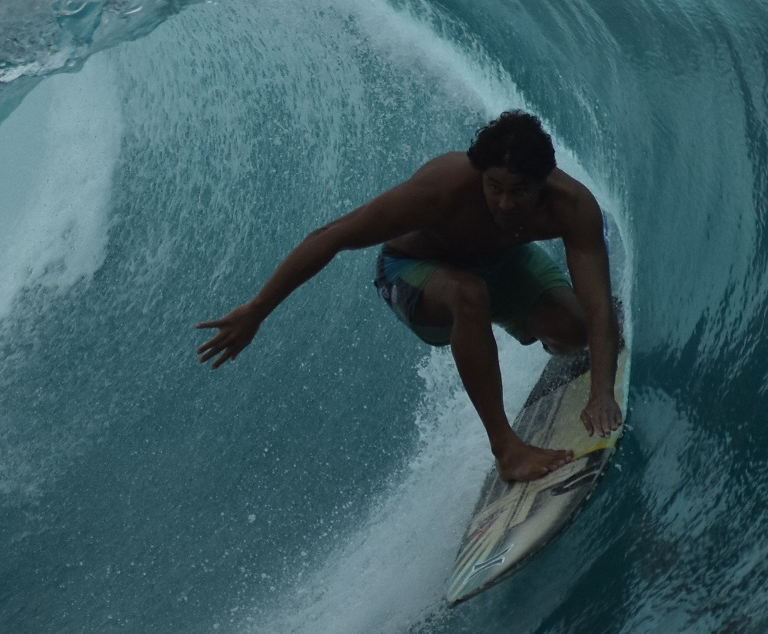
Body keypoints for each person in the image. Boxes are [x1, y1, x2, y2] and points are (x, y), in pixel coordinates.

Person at [197, 110, 622, 484]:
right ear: (480, 175)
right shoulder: (444, 188)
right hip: (412, 273)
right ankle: (507, 450)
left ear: (542, 183)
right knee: (469, 294)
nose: (505, 203)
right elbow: (332, 237)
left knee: (580, 329)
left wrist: (602, 390)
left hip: (503, 264)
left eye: (519, 191)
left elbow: (600, 301)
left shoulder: (572, 206)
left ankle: (554, 341)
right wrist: (257, 309)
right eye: (495, 187)